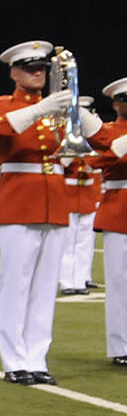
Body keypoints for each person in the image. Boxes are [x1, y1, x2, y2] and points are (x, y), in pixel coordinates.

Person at [0, 40, 100, 384]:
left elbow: (99, 141)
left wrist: (77, 107)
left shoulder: (58, 110)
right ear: (14, 73)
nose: (38, 74)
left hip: (54, 202)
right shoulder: (4, 104)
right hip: (20, 201)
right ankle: (14, 361)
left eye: (42, 69)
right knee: (16, 285)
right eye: (30, 69)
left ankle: (37, 358)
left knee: (45, 287)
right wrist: (39, 109)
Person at [91, 78, 127, 367]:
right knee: (119, 282)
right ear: (115, 104)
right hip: (119, 209)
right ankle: (121, 346)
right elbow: (98, 161)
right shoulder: (106, 133)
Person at [62, 97, 102, 295]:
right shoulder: (64, 136)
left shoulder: (93, 140)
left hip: (88, 193)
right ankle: (67, 281)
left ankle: (82, 279)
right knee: (68, 241)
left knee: (85, 241)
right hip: (68, 193)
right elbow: (62, 164)